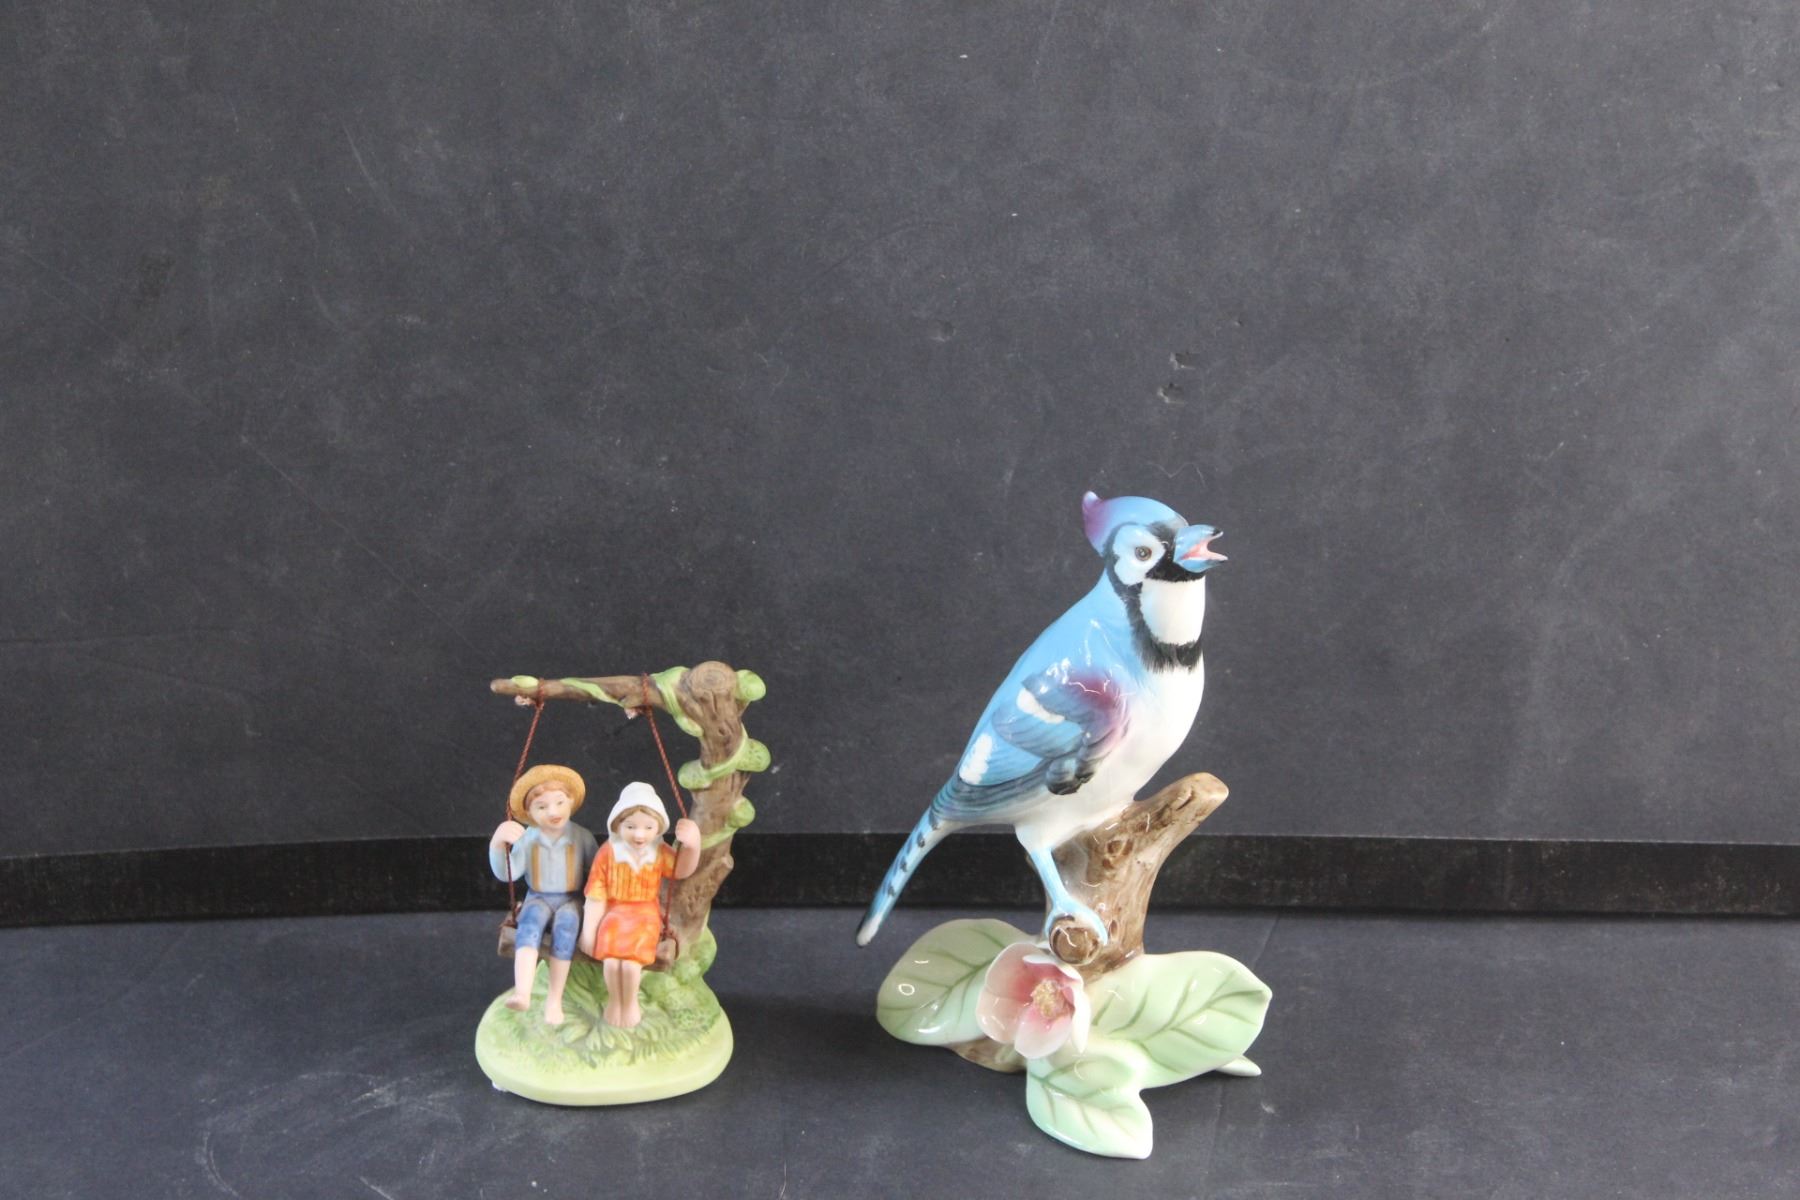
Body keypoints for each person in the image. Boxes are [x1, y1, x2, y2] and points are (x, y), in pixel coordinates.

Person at [580, 782, 702, 1028]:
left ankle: (630, 1003)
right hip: (615, 913)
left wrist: (693, 845)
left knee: (631, 964)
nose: (639, 835)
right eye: (630, 826)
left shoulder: (659, 851)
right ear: (617, 825)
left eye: (648, 827)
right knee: (612, 962)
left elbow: (680, 870)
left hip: (645, 914)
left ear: (658, 828)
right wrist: (588, 932)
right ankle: (615, 1001)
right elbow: (595, 896)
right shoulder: (608, 852)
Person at [489, 764, 598, 1026]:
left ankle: (554, 1000)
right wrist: (498, 845)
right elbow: (508, 872)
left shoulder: (582, 837)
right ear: (529, 813)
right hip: (538, 896)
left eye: (560, 802)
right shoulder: (529, 839)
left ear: (570, 801)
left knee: (566, 930)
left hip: (571, 899)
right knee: (529, 926)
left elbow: (598, 874)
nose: (553, 812)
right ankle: (522, 992)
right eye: (541, 807)